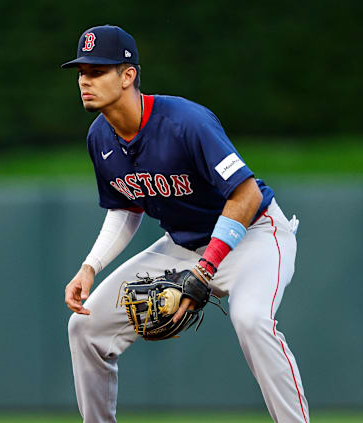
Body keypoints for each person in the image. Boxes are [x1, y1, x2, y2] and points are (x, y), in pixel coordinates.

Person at [62, 25, 309, 423]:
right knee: (84, 328)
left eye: (97, 71)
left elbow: (245, 195)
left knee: (251, 320)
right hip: (183, 247)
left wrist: (206, 268)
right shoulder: (99, 138)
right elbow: (127, 207)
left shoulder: (185, 121)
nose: (85, 81)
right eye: (81, 72)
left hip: (254, 236)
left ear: (128, 75)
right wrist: (90, 266)